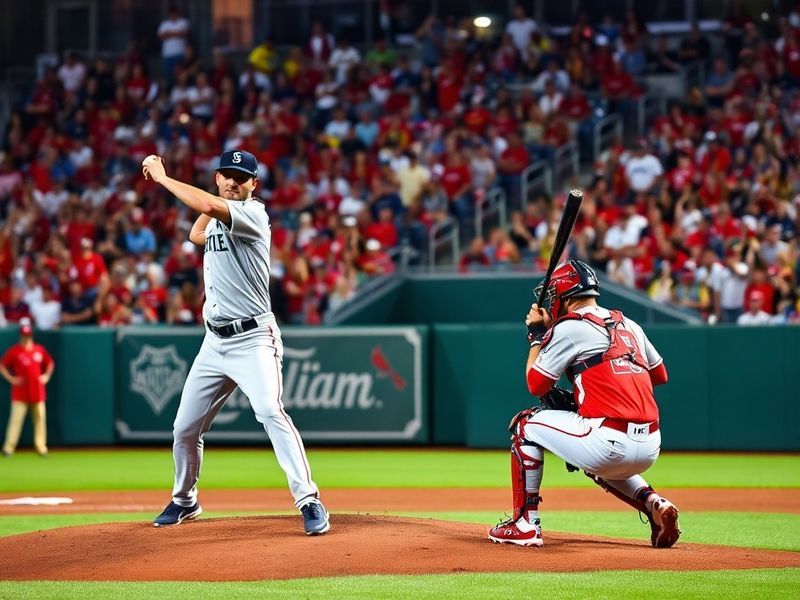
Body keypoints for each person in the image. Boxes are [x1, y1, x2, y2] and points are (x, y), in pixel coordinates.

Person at [142, 149, 329, 534]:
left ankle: (308, 500)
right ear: (217, 177)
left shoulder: (253, 215)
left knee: (270, 411)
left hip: (254, 339)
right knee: (184, 428)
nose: (233, 182)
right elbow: (198, 230)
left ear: (253, 185)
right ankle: (184, 501)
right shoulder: (216, 217)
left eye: (241, 178)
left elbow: (211, 205)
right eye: (227, 175)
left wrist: (162, 178)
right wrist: (212, 206)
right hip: (213, 343)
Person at [488, 260, 680, 548]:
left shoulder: (570, 328)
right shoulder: (629, 324)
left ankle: (525, 523)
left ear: (565, 295)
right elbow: (660, 375)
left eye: (553, 294)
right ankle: (653, 503)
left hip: (608, 440)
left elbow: (535, 384)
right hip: (651, 444)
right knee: (595, 456)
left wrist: (536, 337)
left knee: (524, 426)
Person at [1, 318, 54, 456]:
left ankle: (41, 447)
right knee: (15, 422)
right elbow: (2, 366)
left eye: (28, 335)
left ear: (31, 335)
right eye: (24, 335)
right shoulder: (15, 351)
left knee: (40, 420)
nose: (26, 338)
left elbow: (50, 363)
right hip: (20, 393)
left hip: (37, 392)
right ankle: (8, 448)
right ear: (20, 336)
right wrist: (11, 378)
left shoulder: (39, 350)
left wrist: (46, 376)